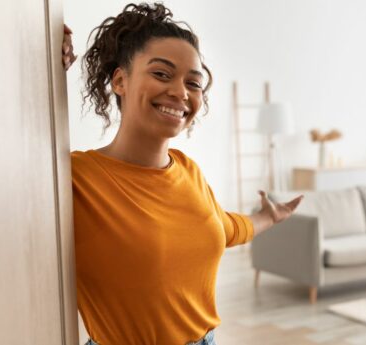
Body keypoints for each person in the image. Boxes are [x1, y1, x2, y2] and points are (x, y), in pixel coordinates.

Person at [63, 3, 303, 344]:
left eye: (194, 82)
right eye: (162, 74)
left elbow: (223, 228)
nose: (181, 92)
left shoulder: (188, 170)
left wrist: (268, 217)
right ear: (120, 80)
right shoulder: (77, 177)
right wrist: (36, 61)